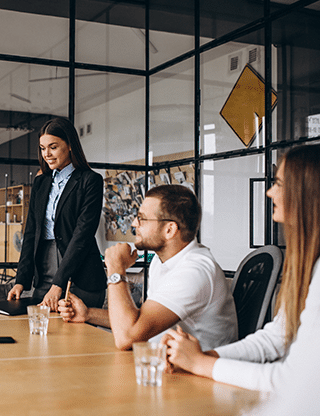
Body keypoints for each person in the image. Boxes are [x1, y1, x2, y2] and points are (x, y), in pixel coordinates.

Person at [162, 145, 320, 392]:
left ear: (307, 193)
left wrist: (200, 363)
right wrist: (204, 357)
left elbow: (291, 381)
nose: (269, 192)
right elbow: (274, 340)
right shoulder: (309, 265)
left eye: (279, 183)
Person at [59, 184, 238, 351]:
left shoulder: (194, 271)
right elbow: (140, 322)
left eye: (142, 219)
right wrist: (88, 314)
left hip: (194, 377)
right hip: (164, 364)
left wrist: (116, 269)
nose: (134, 224)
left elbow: (126, 337)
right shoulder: (161, 261)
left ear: (169, 230)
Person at [7, 117, 107, 311]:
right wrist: (21, 281)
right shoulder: (41, 182)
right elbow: (30, 233)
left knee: (75, 338)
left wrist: (58, 284)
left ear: (70, 145)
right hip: (44, 270)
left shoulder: (90, 181)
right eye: (43, 148)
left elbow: (82, 235)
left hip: (82, 275)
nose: (47, 154)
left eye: (53, 147)